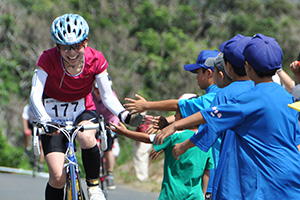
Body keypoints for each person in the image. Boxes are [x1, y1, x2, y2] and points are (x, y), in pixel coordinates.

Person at [157, 33, 300, 199]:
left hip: (261, 181)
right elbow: (295, 140)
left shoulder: (247, 98)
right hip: (290, 178)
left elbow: (211, 118)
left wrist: (179, 136)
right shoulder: (287, 96)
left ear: (247, 66)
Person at [29, 13, 142, 200]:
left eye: (76, 46)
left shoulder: (96, 59)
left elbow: (106, 95)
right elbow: (35, 93)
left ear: (85, 43)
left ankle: (94, 185)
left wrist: (124, 115)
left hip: (82, 109)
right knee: (57, 177)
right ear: (58, 46)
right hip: (51, 116)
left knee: (86, 136)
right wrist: (44, 120)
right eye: (65, 47)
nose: (71, 53)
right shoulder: (47, 59)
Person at [175, 34, 255, 199]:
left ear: (228, 68)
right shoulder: (266, 92)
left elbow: (208, 131)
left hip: (228, 177)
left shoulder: (224, 95)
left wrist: (183, 145)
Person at [108, 94, 215, 200]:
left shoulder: (175, 137)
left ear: (185, 116)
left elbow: (148, 138)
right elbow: (207, 170)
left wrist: (126, 132)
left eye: (176, 114)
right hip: (195, 196)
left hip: (171, 195)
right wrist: (203, 193)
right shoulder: (206, 141)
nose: (175, 117)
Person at [92, 80, 119, 190]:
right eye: (96, 93)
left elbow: (117, 113)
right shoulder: (91, 96)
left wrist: (114, 127)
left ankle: (110, 174)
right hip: (95, 122)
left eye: (100, 93)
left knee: (108, 148)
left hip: (109, 123)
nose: (98, 96)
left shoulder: (112, 96)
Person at [22, 104, 45, 172]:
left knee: (41, 145)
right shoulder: (27, 108)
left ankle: (41, 164)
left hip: (40, 125)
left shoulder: (41, 107)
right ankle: (28, 148)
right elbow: (24, 119)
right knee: (27, 134)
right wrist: (26, 129)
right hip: (31, 124)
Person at [133, 113, 153, 182]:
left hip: (142, 140)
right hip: (148, 140)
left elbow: (142, 129)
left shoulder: (142, 119)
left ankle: (141, 177)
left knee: (140, 159)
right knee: (144, 159)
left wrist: (138, 140)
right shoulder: (149, 119)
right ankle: (144, 176)